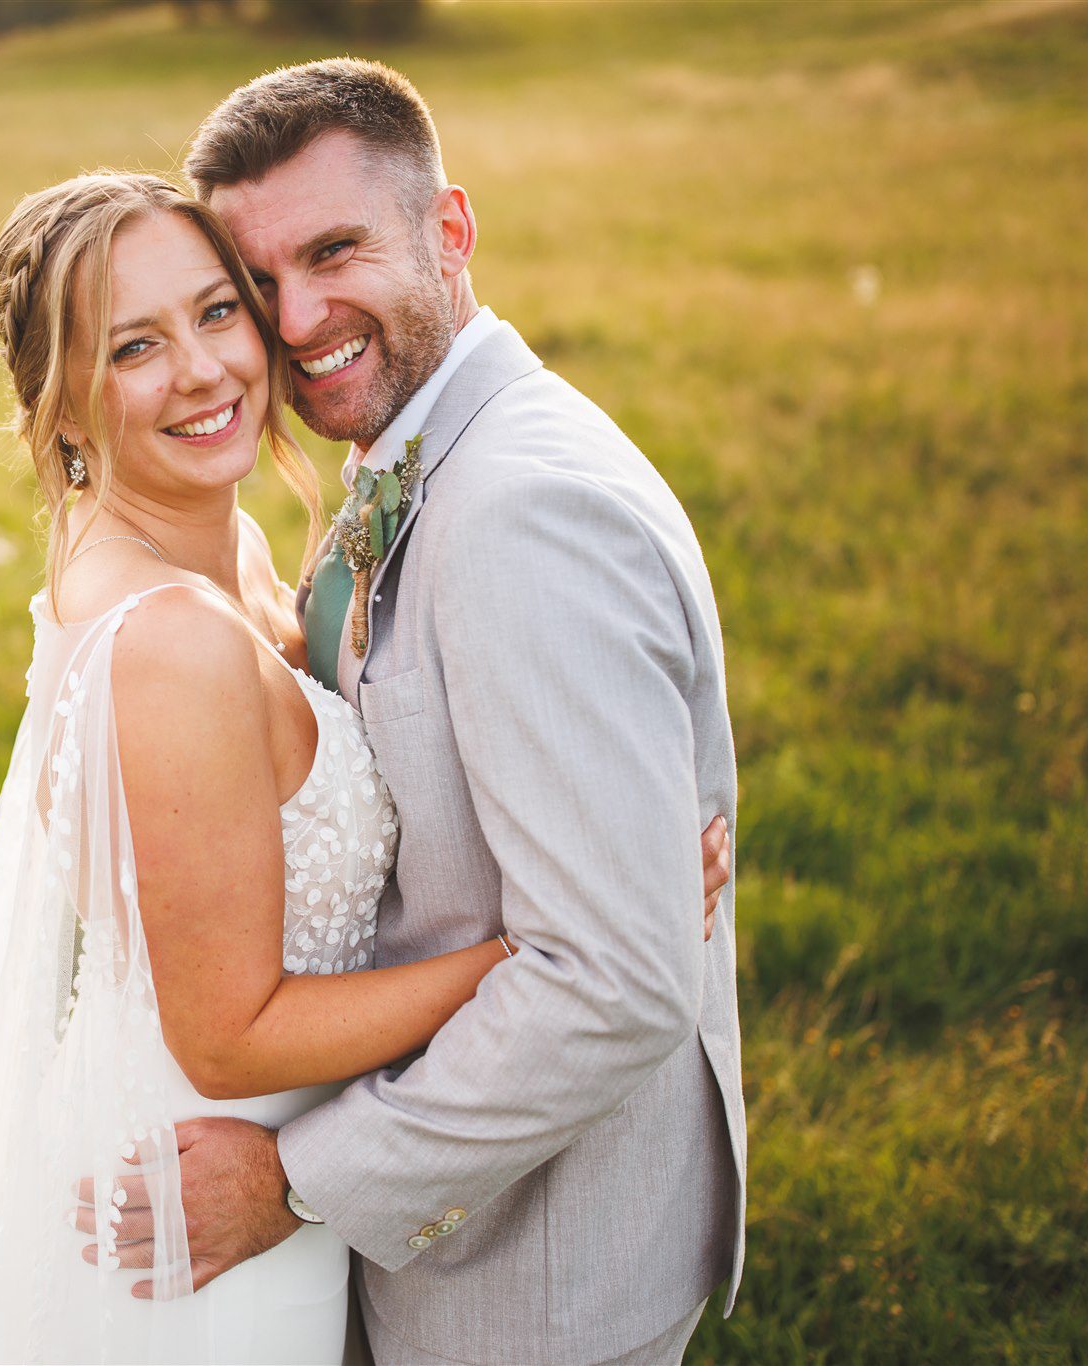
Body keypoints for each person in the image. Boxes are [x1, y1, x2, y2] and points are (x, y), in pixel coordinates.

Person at [0, 166, 731, 1364]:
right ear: (62, 407)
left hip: (266, 1182)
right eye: (132, 349)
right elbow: (229, 1034)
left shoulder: (215, 548)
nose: (205, 369)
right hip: (198, 1204)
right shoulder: (167, 643)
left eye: (217, 311)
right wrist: (544, 946)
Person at [126, 59, 749, 1365]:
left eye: (336, 250)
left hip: (529, 1280)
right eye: (262, 281)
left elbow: (617, 984)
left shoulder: (525, 512)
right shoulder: (414, 450)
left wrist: (293, 1180)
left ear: (449, 229)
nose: (298, 318)